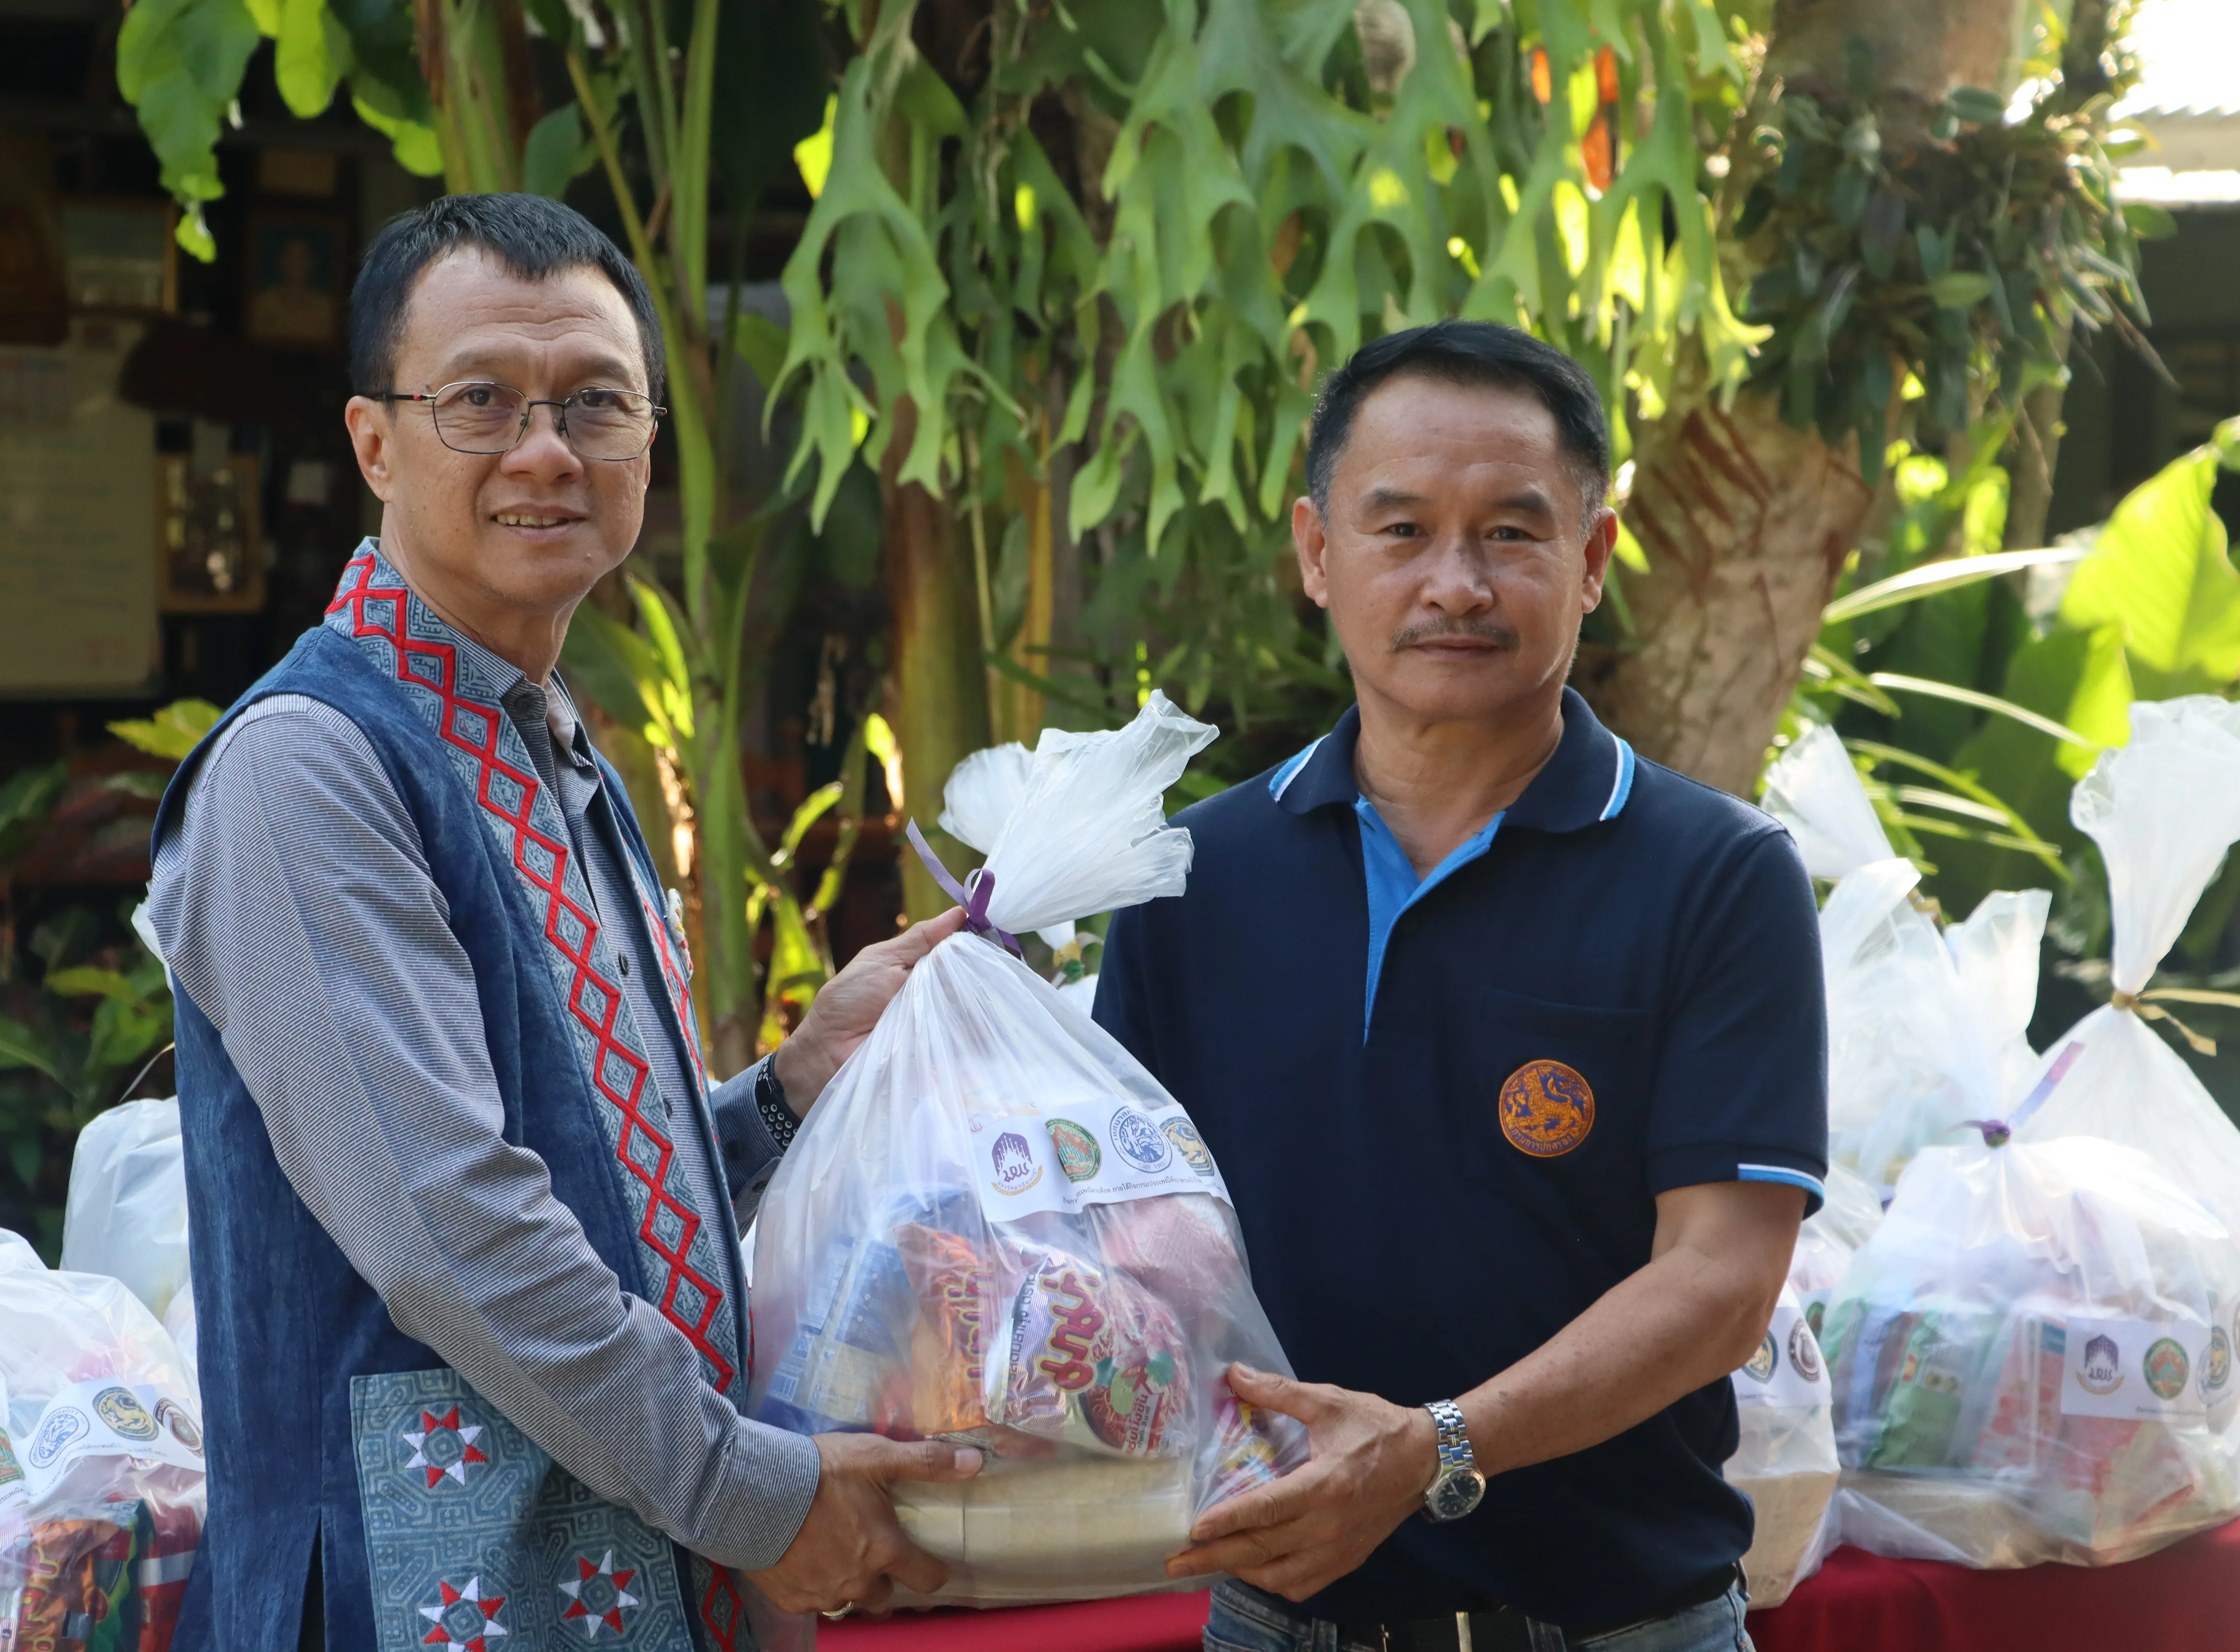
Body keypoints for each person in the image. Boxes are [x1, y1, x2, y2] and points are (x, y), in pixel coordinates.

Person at [147, 193, 978, 1652]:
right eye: (482, 402)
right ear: (373, 443)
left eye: (596, 403)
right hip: (416, 1601)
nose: (545, 450)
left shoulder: (538, 740)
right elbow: (453, 1232)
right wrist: (753, 1496)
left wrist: (787, 1094)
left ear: (649, 445)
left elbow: (582, 1181)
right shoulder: (310, 765)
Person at [1095, 320, 1829, 1652]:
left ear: (1591, 560)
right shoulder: (1190, 877)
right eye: (1400, 531)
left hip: (1621, 1627)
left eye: (1509, 532)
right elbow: (1137, 1246)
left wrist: (1432, 1449)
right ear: (1318, 555)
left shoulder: (1717, 877)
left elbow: (1722, 1282)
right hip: (1287, 1626)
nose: (1456, 583)